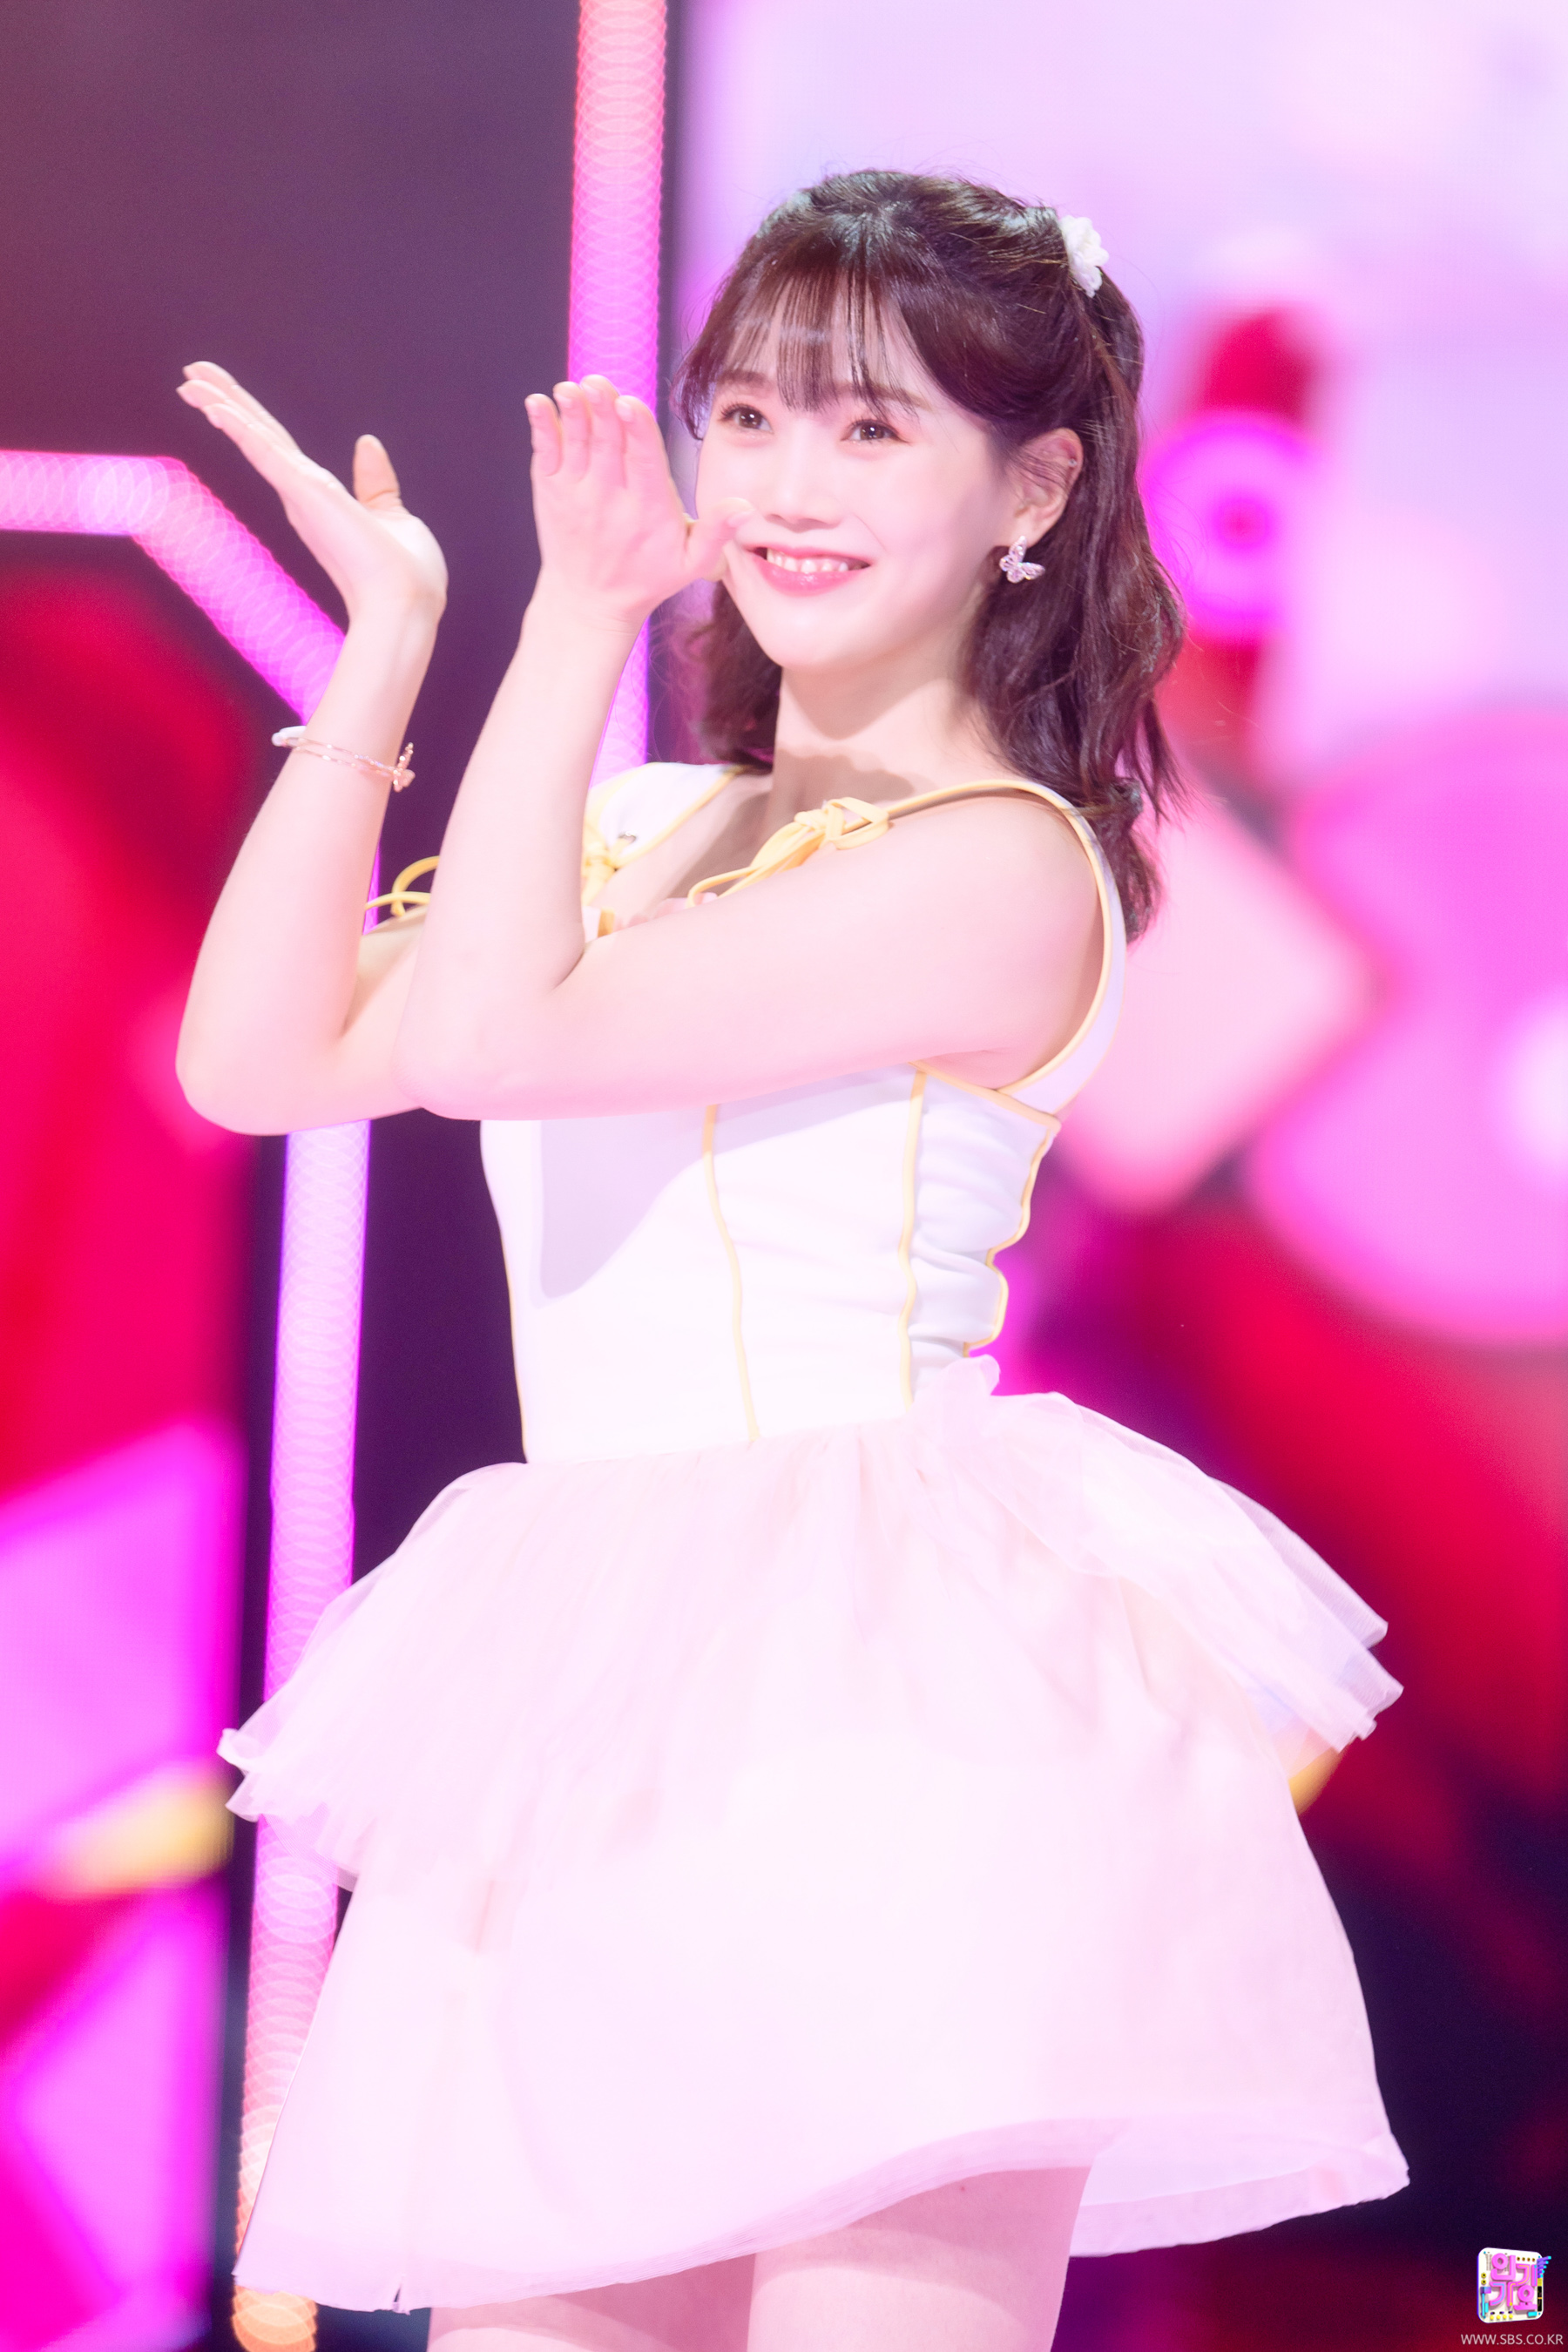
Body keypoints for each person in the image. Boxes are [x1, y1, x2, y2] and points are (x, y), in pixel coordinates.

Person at [179, 172, 1405, 2352]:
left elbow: (491, 1045)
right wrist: (384, 656)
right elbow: (258, 1062)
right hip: (595, 1704)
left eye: (870, 427)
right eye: (746, 418)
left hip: (897, 1707)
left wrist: (575, 625)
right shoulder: (634, 830)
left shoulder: (1004, 865)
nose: (783, 487)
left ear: (1038, 488)